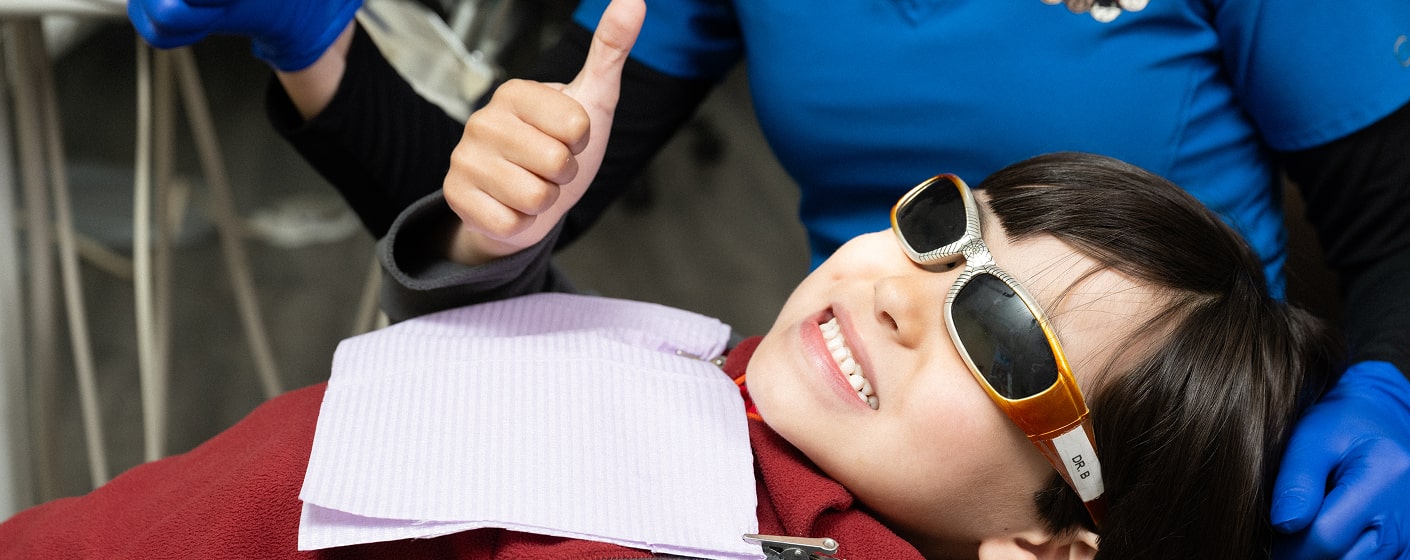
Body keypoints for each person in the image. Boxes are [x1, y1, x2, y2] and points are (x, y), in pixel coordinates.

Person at [126, 0, 1410, 556]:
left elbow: (1395, 218)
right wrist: (315, 42)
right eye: (932, 224)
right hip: (803, 423)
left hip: (1120, 460)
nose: (920, 274)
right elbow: (496, 194)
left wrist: (1391, 392)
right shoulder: (861, 310)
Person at [0, 146, 1344, 557]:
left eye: (996, 333)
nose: (896, 294)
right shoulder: (724, 378)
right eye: (944, 232)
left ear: (1051, 545)